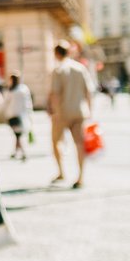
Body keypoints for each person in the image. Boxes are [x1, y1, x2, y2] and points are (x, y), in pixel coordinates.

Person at [48, 40, 94, 188]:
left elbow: (55, 94)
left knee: (56, 142)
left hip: (62, 113)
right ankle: (80, 177)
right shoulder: (80, 68)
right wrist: (89, 111)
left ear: (56, 53)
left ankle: (62, 172)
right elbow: (89, 92)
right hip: (79, 112)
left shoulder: (58, 70)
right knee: (79, 144)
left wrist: (55, 112)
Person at [2, 73, 33, 160]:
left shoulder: (10, 91)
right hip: (21, 115)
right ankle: (16, 152)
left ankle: (23, 153)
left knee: (17, 135)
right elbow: (28, 103)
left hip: (12, 115)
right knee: (17, 135)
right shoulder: (24, 89)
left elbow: (5, 103)